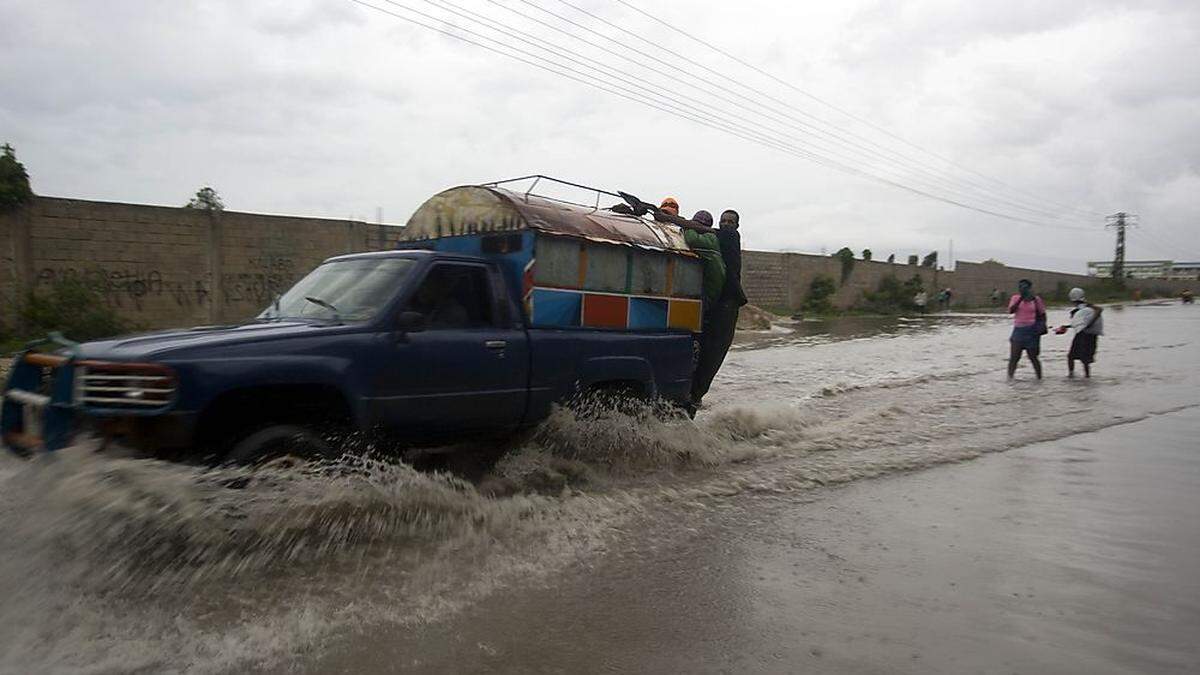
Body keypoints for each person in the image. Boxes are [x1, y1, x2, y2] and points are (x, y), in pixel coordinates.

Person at [1055, 287, 1103, 378]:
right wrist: (1066, 326)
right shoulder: (1089, 307)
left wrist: (1089, 323)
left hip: (1082, 336)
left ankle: (1071, 375)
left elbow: (1082, 322)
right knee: (1085, 359)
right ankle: (1087, 376)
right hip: (1090, 336)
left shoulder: (1081, 309)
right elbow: (1079, 323)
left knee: (1072, 357)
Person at [1007, 278, 1046, 380]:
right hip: (1018, 331)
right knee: (1014, 358)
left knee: (1033, 357)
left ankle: (1039, 379)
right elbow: (1011, 311)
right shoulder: (1015, 298)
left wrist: (1041, 327)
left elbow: (1042, 314)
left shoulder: (1036, 299)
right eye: (1020, 287)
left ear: (1029, 288)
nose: (1022, 289)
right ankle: (1010, 379)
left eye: (1024, 287)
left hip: (1032, 331)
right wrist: (1021, 298)